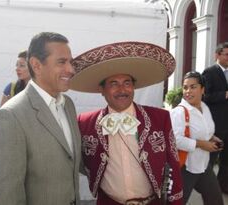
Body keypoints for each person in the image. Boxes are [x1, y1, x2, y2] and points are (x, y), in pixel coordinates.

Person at [70, 42, 183, 205]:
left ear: (134, 87)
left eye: (127, 83)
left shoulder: (160, 118)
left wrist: (176, 201)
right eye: (113, 83)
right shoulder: (84, 122)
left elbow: (172, 163)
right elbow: (77, 163)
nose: (122, 89)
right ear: (101, 89)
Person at [0, 32, 82, 205]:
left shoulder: (68, 105)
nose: (71, 69)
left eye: (71, 62)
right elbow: (5, 195)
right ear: (36, 65)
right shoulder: (10, 116)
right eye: (62, 62)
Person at [170, 71, 224, 205]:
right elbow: (175, 140)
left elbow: (206, 130)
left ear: (203, 89)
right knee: (177, 202)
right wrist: (201, 144)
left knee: (215, 200)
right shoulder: (179, 112)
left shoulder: (205, 107)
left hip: (204, 165)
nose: (188, 91)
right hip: (185, 167)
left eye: (193, 87)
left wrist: (212, 138)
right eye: (185, 87)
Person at [202, 42, 228, 194]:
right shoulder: (209, 72)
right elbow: (205, 96)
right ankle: (208, 188)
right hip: (216, 125)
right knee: (211, 159)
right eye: (226, 54)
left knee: (226, 160)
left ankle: (223, 187)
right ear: (217, 55)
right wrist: (224, 95)